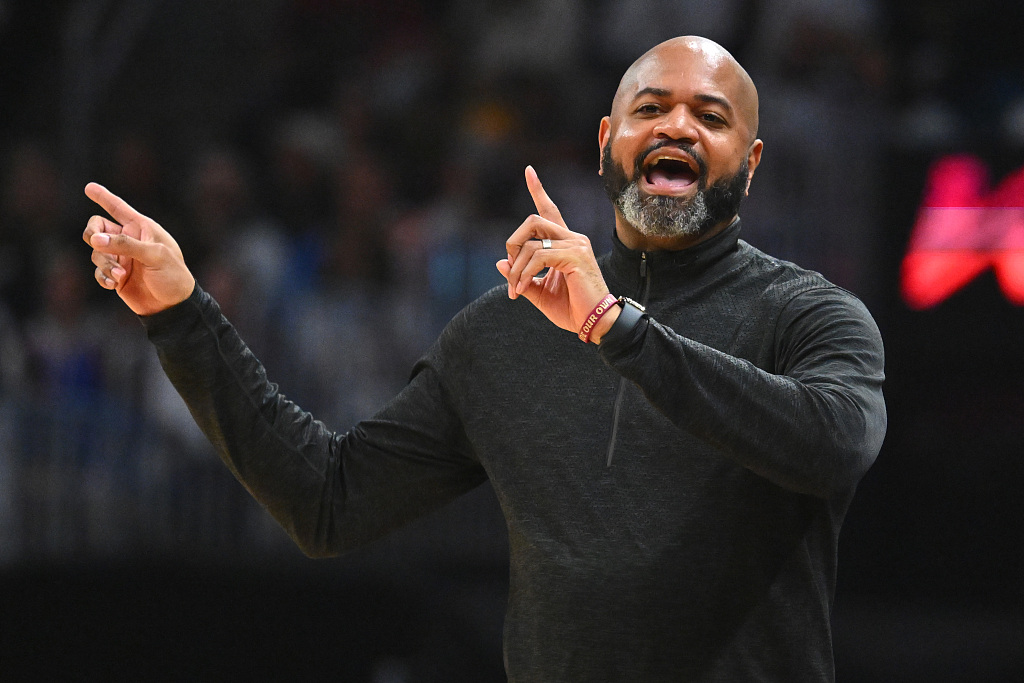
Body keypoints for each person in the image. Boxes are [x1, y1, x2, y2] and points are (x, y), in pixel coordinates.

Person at [83, 36, 886, 683]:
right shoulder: (501, 334)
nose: (677, 126)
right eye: (652, 107)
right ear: (609, 142)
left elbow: (833, 443)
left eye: (710, 116)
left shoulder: (809, 315)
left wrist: (615, 325)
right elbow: (327, 500)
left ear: (749, 163)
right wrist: (181, 313)